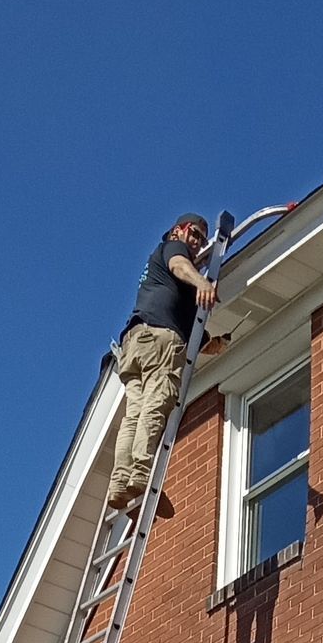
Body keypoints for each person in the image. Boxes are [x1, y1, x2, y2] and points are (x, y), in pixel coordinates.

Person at [108, 214, 225, 510]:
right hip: (158, 337)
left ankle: (120, 483)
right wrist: (202, 281)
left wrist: (212, 343)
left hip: (136, 342)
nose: (197, 244)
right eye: (194, 234)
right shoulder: (174, 250)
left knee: (133, 414)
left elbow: (188, 326)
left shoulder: (166, 282)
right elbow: (180, 265)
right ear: (178, 231)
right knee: (157, 401)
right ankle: (142, 474)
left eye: (201, 239)